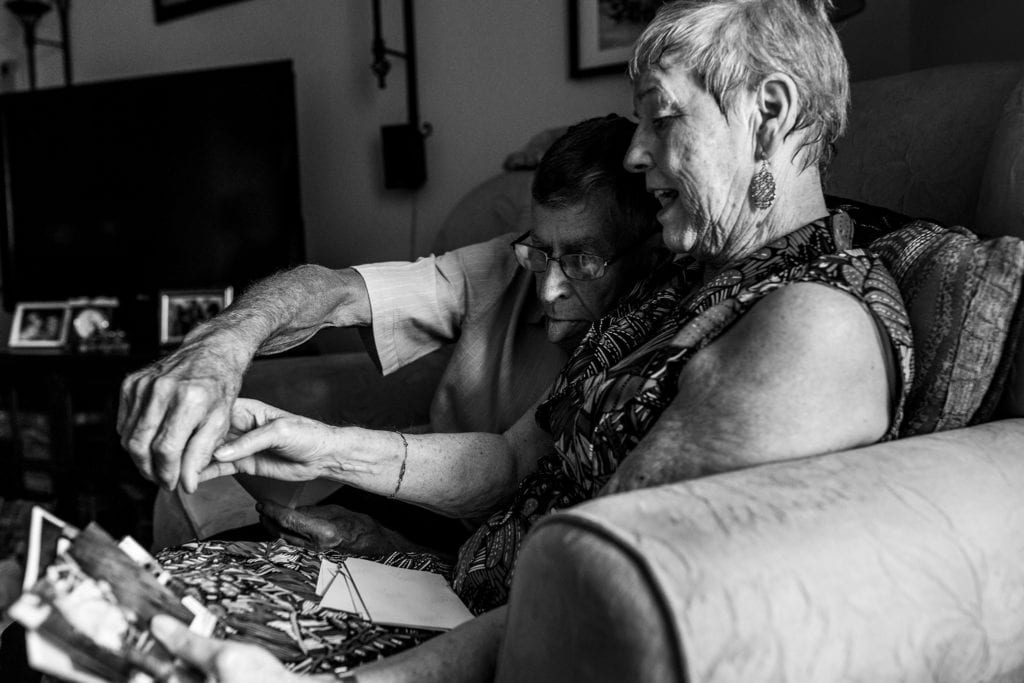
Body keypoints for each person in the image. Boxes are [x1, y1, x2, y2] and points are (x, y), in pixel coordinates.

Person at [134, 0, 917, 680]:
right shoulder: (677, 282)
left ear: (770, 112)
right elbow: (512, 461)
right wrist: (315, 443)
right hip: (451, 590)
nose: (637, 152)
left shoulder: (811, 324)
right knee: (135, 606)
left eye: (663, 115)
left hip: (491, 647)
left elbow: (596, 586)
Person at [119, 114, 661, 551]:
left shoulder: (662, 328)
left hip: (509, 541)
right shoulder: (503, 264)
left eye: (584, 261)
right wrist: (222, 345)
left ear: (649, 247)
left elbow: (513, 471)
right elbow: (334, 290)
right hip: (424, 497)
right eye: (540, 252)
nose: (547, 288)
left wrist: (381, 528)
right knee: (217, 564)